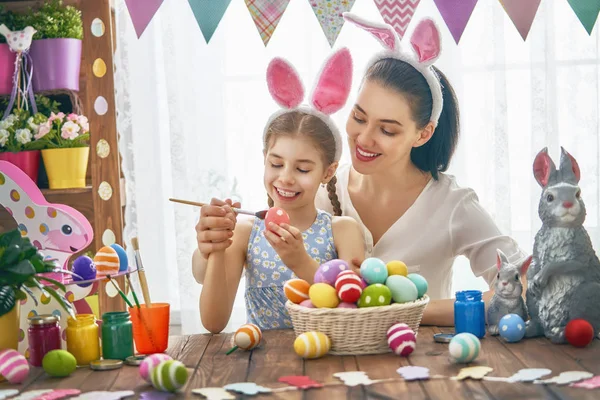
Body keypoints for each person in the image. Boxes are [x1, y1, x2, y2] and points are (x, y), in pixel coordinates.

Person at [314, 13, 529, 326]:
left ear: (423, 134)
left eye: (387, 130)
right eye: (359, 118)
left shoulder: (452, 205)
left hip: (427, 367)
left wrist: (413, 310)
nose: (364, 138)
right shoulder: (322, 191)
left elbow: (525, 287)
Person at [191, 48, 365, 333]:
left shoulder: (342, 230)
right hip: (262, 366)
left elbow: (353, 312)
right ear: (264, 160)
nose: (285, 178)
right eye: (276, 163)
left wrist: (301, 262)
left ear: (328, 172)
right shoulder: (245, 233)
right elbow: (213, 322)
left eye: (303, 169)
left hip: (328, 359)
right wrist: (218, 247)